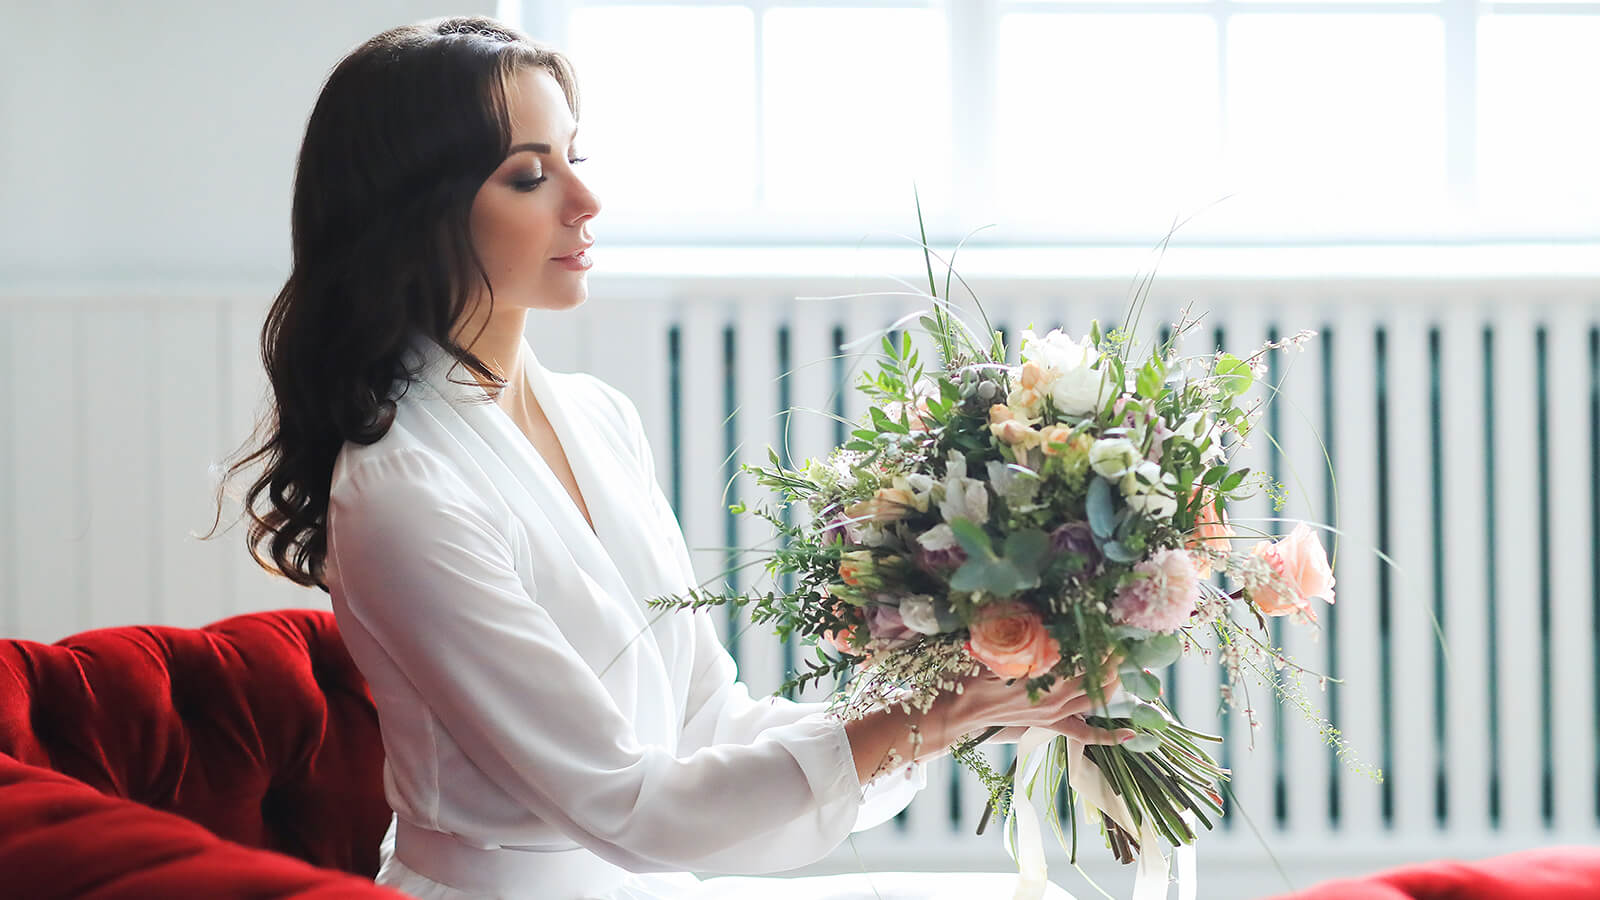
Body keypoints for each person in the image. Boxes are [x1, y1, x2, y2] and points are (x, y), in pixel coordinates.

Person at [219, 15, 1132, 900]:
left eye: (576, 158)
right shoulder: (401, 490)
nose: (585, 202)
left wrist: (970, 692)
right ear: (414, 216)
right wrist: (922, 722)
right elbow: (630, 805)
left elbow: (707, 722)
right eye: (530, 176)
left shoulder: (599, 419)